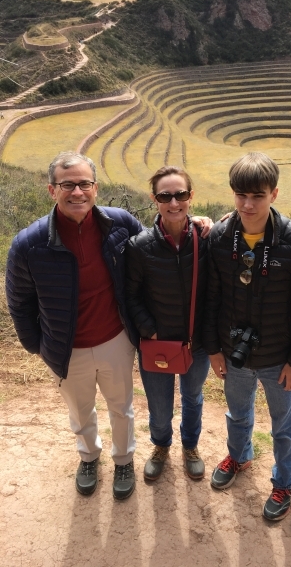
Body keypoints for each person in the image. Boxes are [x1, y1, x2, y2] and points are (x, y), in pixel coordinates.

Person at [5, 152, 211, 501]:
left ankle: (124, 459)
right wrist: (37, 346)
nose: (77, 192)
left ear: (95, 188)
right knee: (81, 409)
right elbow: (19, 302)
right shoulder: (28, 243)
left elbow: (157, 247)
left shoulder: (119, 223)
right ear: (51, 190)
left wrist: (198, 222)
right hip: (65, 346)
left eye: (84, 183)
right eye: (67, 185)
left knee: (121, 406)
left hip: (116, 338)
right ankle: (88, 457)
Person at [204, 152, 291, 521]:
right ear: (233, 194)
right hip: (233, 353)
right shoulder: (221, 237)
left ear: (275, 194)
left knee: (284, 426)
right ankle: (239, 457)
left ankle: (284, 480)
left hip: (278, 357)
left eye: (258, 195)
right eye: (241, 195)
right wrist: (213, 349)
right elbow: (211, 298)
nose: (248, 204)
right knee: (237, 415)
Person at [125, 166, 210, 482]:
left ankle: (190, 447)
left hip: (195, 342)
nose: (174, 202)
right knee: (159, 406)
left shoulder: (205, 239)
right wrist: (150, 330)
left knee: (193, 399)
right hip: (156, 342)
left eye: (181, 194)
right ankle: (161, 446)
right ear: (154, 199)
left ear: (191, 197)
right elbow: (130, 296)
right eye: (165, 196)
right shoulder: (139, 246)